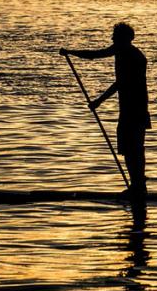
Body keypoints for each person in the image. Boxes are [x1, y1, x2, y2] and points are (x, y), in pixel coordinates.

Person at [61, 22, 151, 199]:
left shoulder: (133, 56)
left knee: (134, 149)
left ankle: (138, 187)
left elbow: (121, 83)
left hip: (136, 109)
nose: (112, 38)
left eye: (115, 36)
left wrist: (98, 102)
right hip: (127, 109)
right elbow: (96, 55)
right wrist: (71, 53)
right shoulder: (121, 50)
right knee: (128, 148)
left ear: (125, 39)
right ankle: (137, 185)